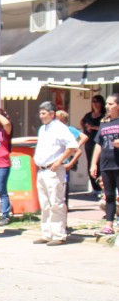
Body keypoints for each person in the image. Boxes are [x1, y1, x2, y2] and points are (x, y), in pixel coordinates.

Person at [32, 101, 79, 246]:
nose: (41, 116)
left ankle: (59, 234)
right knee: (45, 204)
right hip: (42, 170)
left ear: (52, 114)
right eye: (40, 113)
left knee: (56, 203)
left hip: (53, 170)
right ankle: (47, 233)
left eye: (44, 113)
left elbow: (72, 146)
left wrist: (60, 161)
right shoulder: (42, 129)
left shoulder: (60, 127)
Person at [89, 93, 119, 235]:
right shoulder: (104, 123)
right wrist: (94, 163)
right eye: (106, 104)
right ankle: (109, 225)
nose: (107, 106)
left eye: (111, 104)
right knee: (109, 196)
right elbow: (98, 144)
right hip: (106, 165)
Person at [56, 110, 88, 228]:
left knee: (62, 194)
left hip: (64, 163)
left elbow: (84, 137)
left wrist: (75, 148)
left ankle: (63, 223)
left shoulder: (68, 130)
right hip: (55, 164)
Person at [81, 94, 106, 196]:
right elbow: (82, 122)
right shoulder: (88, 115)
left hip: (101, 142)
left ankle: (102, 187)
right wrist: (86, 128)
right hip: (90, 142)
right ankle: (95, 188)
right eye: (93, 102)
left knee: (100, 164)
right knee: (91, 164)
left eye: (97, 101)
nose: (95, 104)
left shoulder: (104, 115)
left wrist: (95, 127)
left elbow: (104, 127)